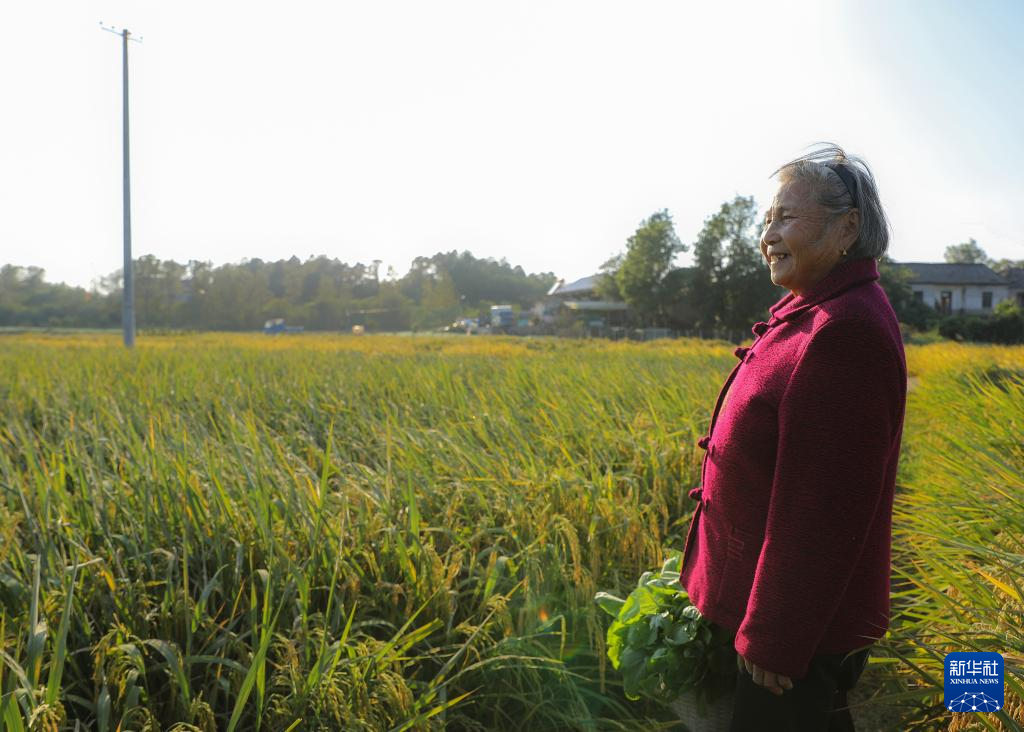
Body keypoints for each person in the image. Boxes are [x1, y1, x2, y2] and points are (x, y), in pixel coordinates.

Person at [677, 144, 908, 731]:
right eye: (766, 220)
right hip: (772, 611)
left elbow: (821, 512)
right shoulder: (816, 311)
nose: (768, 235)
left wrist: (776, 636)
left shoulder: (844, 331)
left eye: (785, 217)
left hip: (794, 637)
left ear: (847, 228)